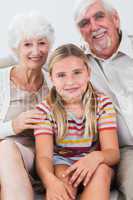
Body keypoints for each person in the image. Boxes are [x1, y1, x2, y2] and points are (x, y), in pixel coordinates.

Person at [34, 43, 120, 200]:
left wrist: (96, 157)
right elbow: (44, 157)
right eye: (61, 75)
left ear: (88, 73)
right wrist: (50, 182)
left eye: (77, 72)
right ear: (51, 78)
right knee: (63, 177)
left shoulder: (102, 104)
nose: (70, 82)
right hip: (63, 163)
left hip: (96, 162)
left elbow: (113, 152)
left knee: (102, 172)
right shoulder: (45, 111)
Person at [74, 0, 133, 199]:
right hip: (127, 151)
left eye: (99, 16)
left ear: (115, 19)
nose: (94, 27)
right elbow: (38, 61)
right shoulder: (77, 64)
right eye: (84, 23)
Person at [0, 11, 54, 200]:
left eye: (41, 43)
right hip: (4, 155)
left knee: (6, 149)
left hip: (37, 158)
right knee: (6, 147)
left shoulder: (56, 82)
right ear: (16, 49)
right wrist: (13, 125)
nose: (36, 51)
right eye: (27, 44)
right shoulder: (1, 80)